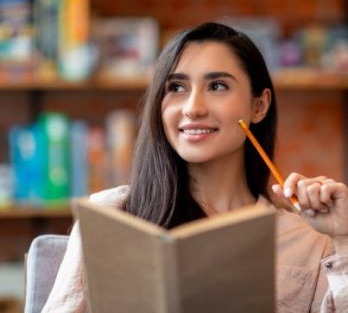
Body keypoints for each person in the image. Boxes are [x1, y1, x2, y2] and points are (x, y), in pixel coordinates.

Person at [42, 22, 348, 312]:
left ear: (259, 106)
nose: (193, 108)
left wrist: (344, 239)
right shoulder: (111, 216)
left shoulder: (313, 239)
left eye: (217, 86)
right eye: (176, 87)